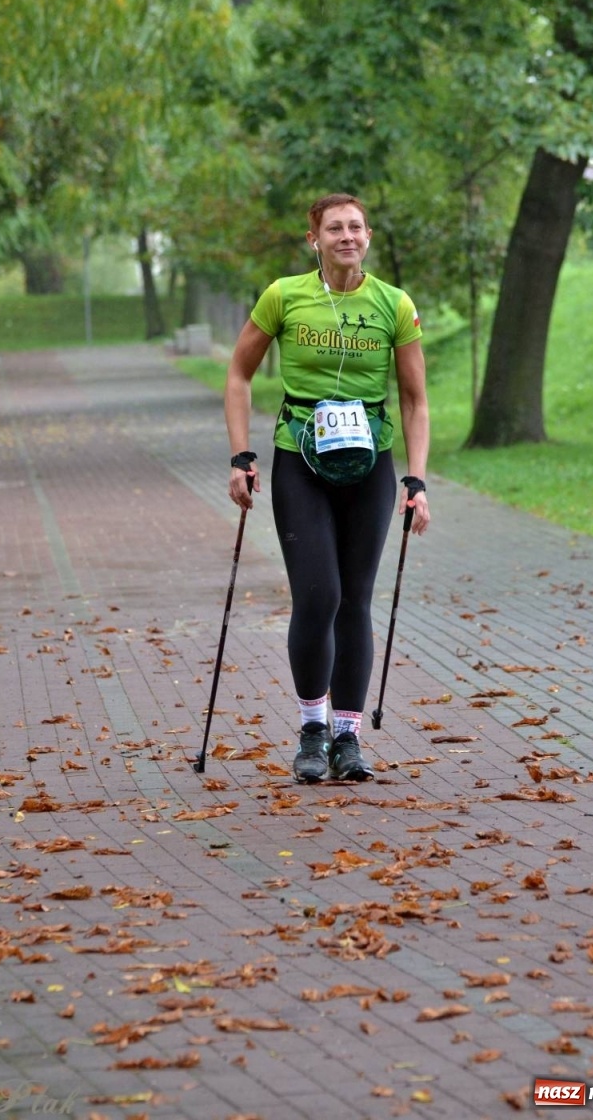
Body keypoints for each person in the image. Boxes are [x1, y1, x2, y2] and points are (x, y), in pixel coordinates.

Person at [225, 193, 430, 783]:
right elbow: (239, 373)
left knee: (355, 601)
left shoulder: (394, 303)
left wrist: (416, 478)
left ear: (368, 236)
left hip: (370, 469)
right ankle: (312, 729)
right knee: (318, 597)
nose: (348, 235)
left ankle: (348, 739)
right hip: (300, 464)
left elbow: (416, 400)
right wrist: (241, 455)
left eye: (357, 227)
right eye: (335, 228)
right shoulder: (284, 295)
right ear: (313, 239)